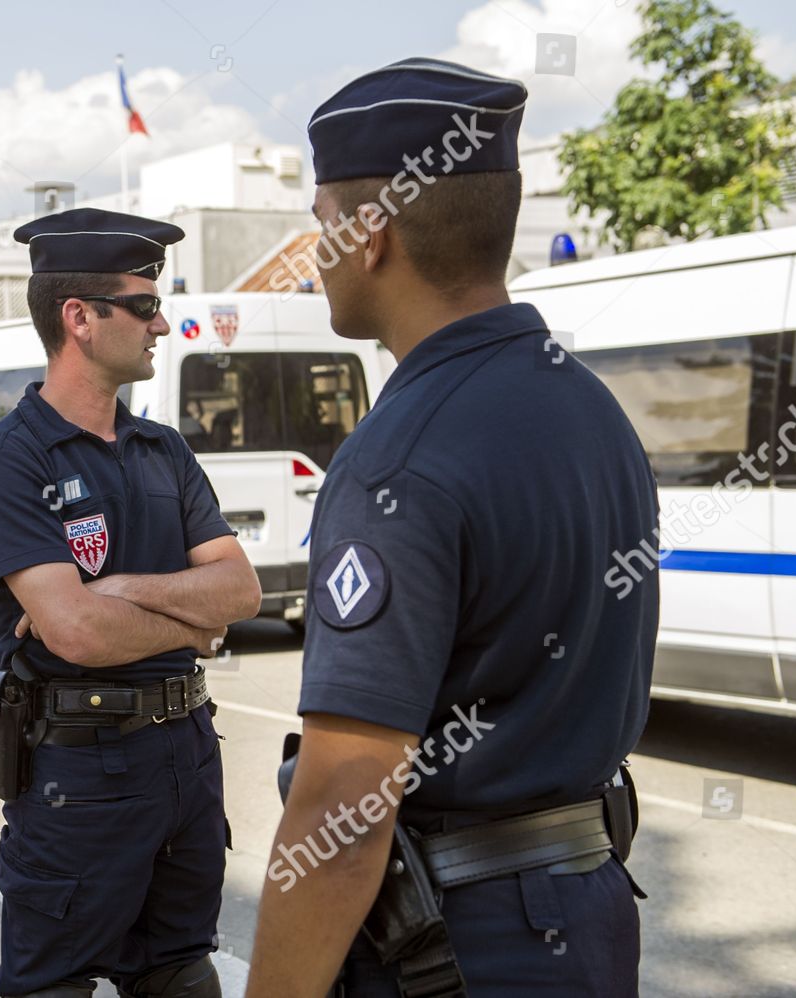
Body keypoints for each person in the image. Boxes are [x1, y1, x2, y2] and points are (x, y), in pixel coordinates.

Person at [246, 58, 657, 996]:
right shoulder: (588, 407)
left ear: (372, 234)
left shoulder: (398, 457)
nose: (316, 255)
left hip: (452, 952)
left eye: (321, 227)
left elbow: (343, 807)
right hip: (587, 914)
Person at [0, 206, 263, 997]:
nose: (162, 324)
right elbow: (77, 632)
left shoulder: (163, 449)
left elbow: (241, 591)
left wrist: (123, 589)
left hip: (186, 760)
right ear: (80, 318)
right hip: (78, 774)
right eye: (144, 305)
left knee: (180, 973)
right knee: (53, 984)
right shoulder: (9, 461)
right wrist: (187, 621)